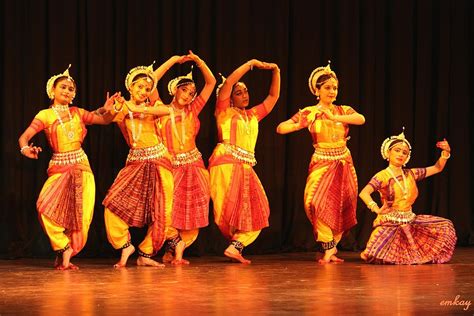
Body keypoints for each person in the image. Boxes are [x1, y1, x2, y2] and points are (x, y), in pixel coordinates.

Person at [18, 65, 118, 270]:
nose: (67, 91)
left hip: (82, 166)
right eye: (63, 87)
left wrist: (111, 109)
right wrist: (25, 149)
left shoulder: (78, 112)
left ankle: (67, 256)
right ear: (52, 91)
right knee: (44, 206)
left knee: (81, 216)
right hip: (59, 166)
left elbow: (104, 120)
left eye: (71, 89)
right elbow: (24, 137)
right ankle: (63, 246)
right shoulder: (45, 115)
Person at [130, 51, 216, 264]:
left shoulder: (193, 109)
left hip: (194, 164)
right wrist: (173, 61)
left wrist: (198, 61)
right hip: (168, 165)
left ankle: (175, 252)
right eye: (185, 90)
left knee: (194, 212)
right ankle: (151, 250)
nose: (188, 96)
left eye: (191, 93)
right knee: (166, 211)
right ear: (175, 90)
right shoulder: (160, 107)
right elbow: (152, 79)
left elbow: (211, 82)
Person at [276, 62, 365, 264]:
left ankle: (331, 248)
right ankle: (328, 245)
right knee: (313, 202)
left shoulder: (343, 110)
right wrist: (301, 123)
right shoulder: (309, 111)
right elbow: (281, 128)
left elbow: (361, 119)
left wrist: (334, 116)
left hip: (343, 160)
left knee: (342, 204)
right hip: (322, 160)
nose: (332, 91)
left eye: (335, 87)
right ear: (317, 90)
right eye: (327, 87)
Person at [102, 59, 187, 268]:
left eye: (148, 88)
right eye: (139, 86)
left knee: (163, 210)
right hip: (136, 162)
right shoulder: (122, 107)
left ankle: (146, 253)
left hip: (159, 160)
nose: (143, 91)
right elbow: (108, 116)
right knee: (112, 205)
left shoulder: (154, 106)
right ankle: (124, 245)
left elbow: (167, 111)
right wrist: (112, 108)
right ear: (130, 87)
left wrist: (139, 109)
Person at [209, 59, 280, 264]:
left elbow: (273, 97)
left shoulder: (253, 115)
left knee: (258, 210)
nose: (244, 95)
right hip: (225, 164)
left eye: (246, 91)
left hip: (246, 166)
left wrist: (276, 71)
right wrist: (249, 65)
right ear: (229, 98)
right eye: (238, 93)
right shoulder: (223, 111)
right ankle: (172, 249)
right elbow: (229, 83)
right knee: (226, 212)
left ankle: (235, 246)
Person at [358, 130, 456, 264]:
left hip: (410, 220)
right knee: (373, 254)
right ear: (388, 153)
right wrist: (376, 209)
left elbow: (437, 168)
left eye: (404, 153)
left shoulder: (411, 174)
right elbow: (364, 193)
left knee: (446, 226)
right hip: (389, 222)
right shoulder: (382, 176)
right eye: (397, 150)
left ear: (407, 157)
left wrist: (445, 153)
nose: (400, 154)